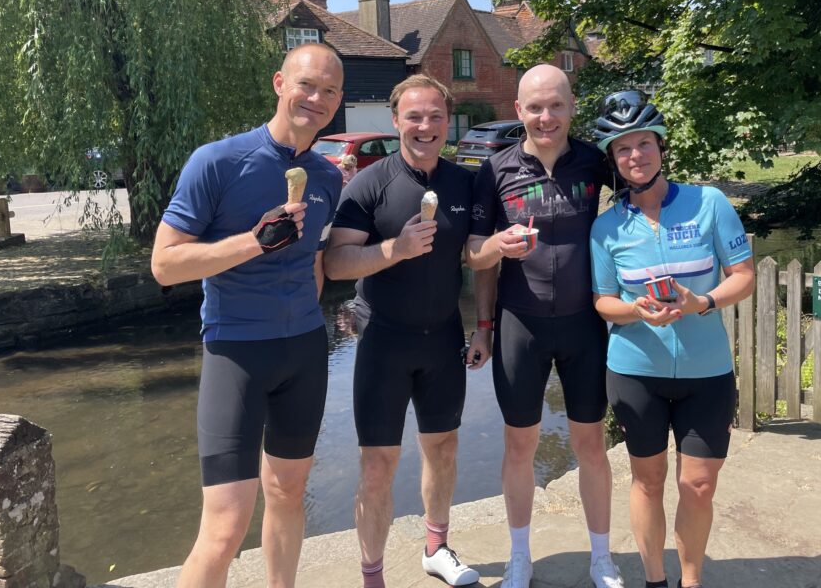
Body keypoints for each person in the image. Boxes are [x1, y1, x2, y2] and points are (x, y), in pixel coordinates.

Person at [150, 42, 345, 588]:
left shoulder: (327, 177)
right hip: (236, 352)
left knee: (286, 494)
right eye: (307, 85)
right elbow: (165, 265)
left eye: (330, 91)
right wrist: (254, 243)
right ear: (280, 84)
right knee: (226, 525)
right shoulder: (218, 161)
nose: (317, 98)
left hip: (306, 350)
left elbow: (315, 266)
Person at [464, 64, 623, 588]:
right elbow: (474, 253)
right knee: (519, 446)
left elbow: (638, 213)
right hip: (519, 326)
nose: (546, 116)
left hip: (583, 325)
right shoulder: (495, 169)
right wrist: (485, 319)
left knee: (590, 444)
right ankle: (518, 556)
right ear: (518, 111)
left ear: (572, 106)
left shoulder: (596, 163)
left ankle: (601, 556)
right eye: (535, 106)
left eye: (556, 105)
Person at [588, 90, 755, 588]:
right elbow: (602, 301)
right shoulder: (606, 227)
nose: (635, 155)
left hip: (707, 371)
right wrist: (637, 309)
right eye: (622, 148)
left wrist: (700, 303)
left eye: (644, 143)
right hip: (636, 370)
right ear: (613, 160)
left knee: (699, 485)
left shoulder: (710, 203)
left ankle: (691, 580)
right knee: (648, 480)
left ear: (661, 147)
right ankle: (655, 580)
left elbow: (742, 275)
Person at [323, 75, 479, 588]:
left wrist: (485, 326)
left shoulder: (463, 182)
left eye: (436, 116)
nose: (426, 126)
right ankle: (373, 575)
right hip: (384, 340)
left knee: (444, 448)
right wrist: (395, 249)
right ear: (396, 122)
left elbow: (479, 258)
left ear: (447, 122)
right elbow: (337, 263)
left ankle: (436, 547)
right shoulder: (370, 183)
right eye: (414, 116)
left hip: (443, 338)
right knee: (377, 465)